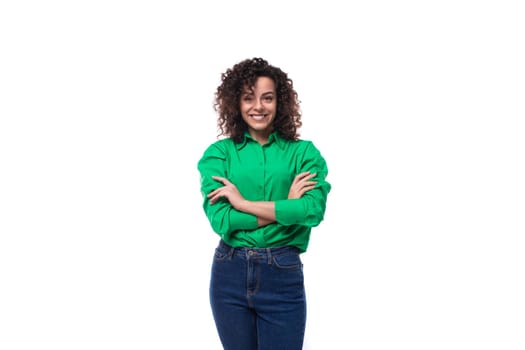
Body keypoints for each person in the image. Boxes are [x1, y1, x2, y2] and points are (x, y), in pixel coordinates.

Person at [197, 57, 331, 350]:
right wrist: (286, 208)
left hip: (282, 272)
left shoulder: (303, 153)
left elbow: (311, 210)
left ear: (279, 102)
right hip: (229, 271)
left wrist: (242, 203)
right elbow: (223, 220)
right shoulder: (219, 154)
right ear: (236, 103)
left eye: (267, 98)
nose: (258, 106)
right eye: (248, 98)